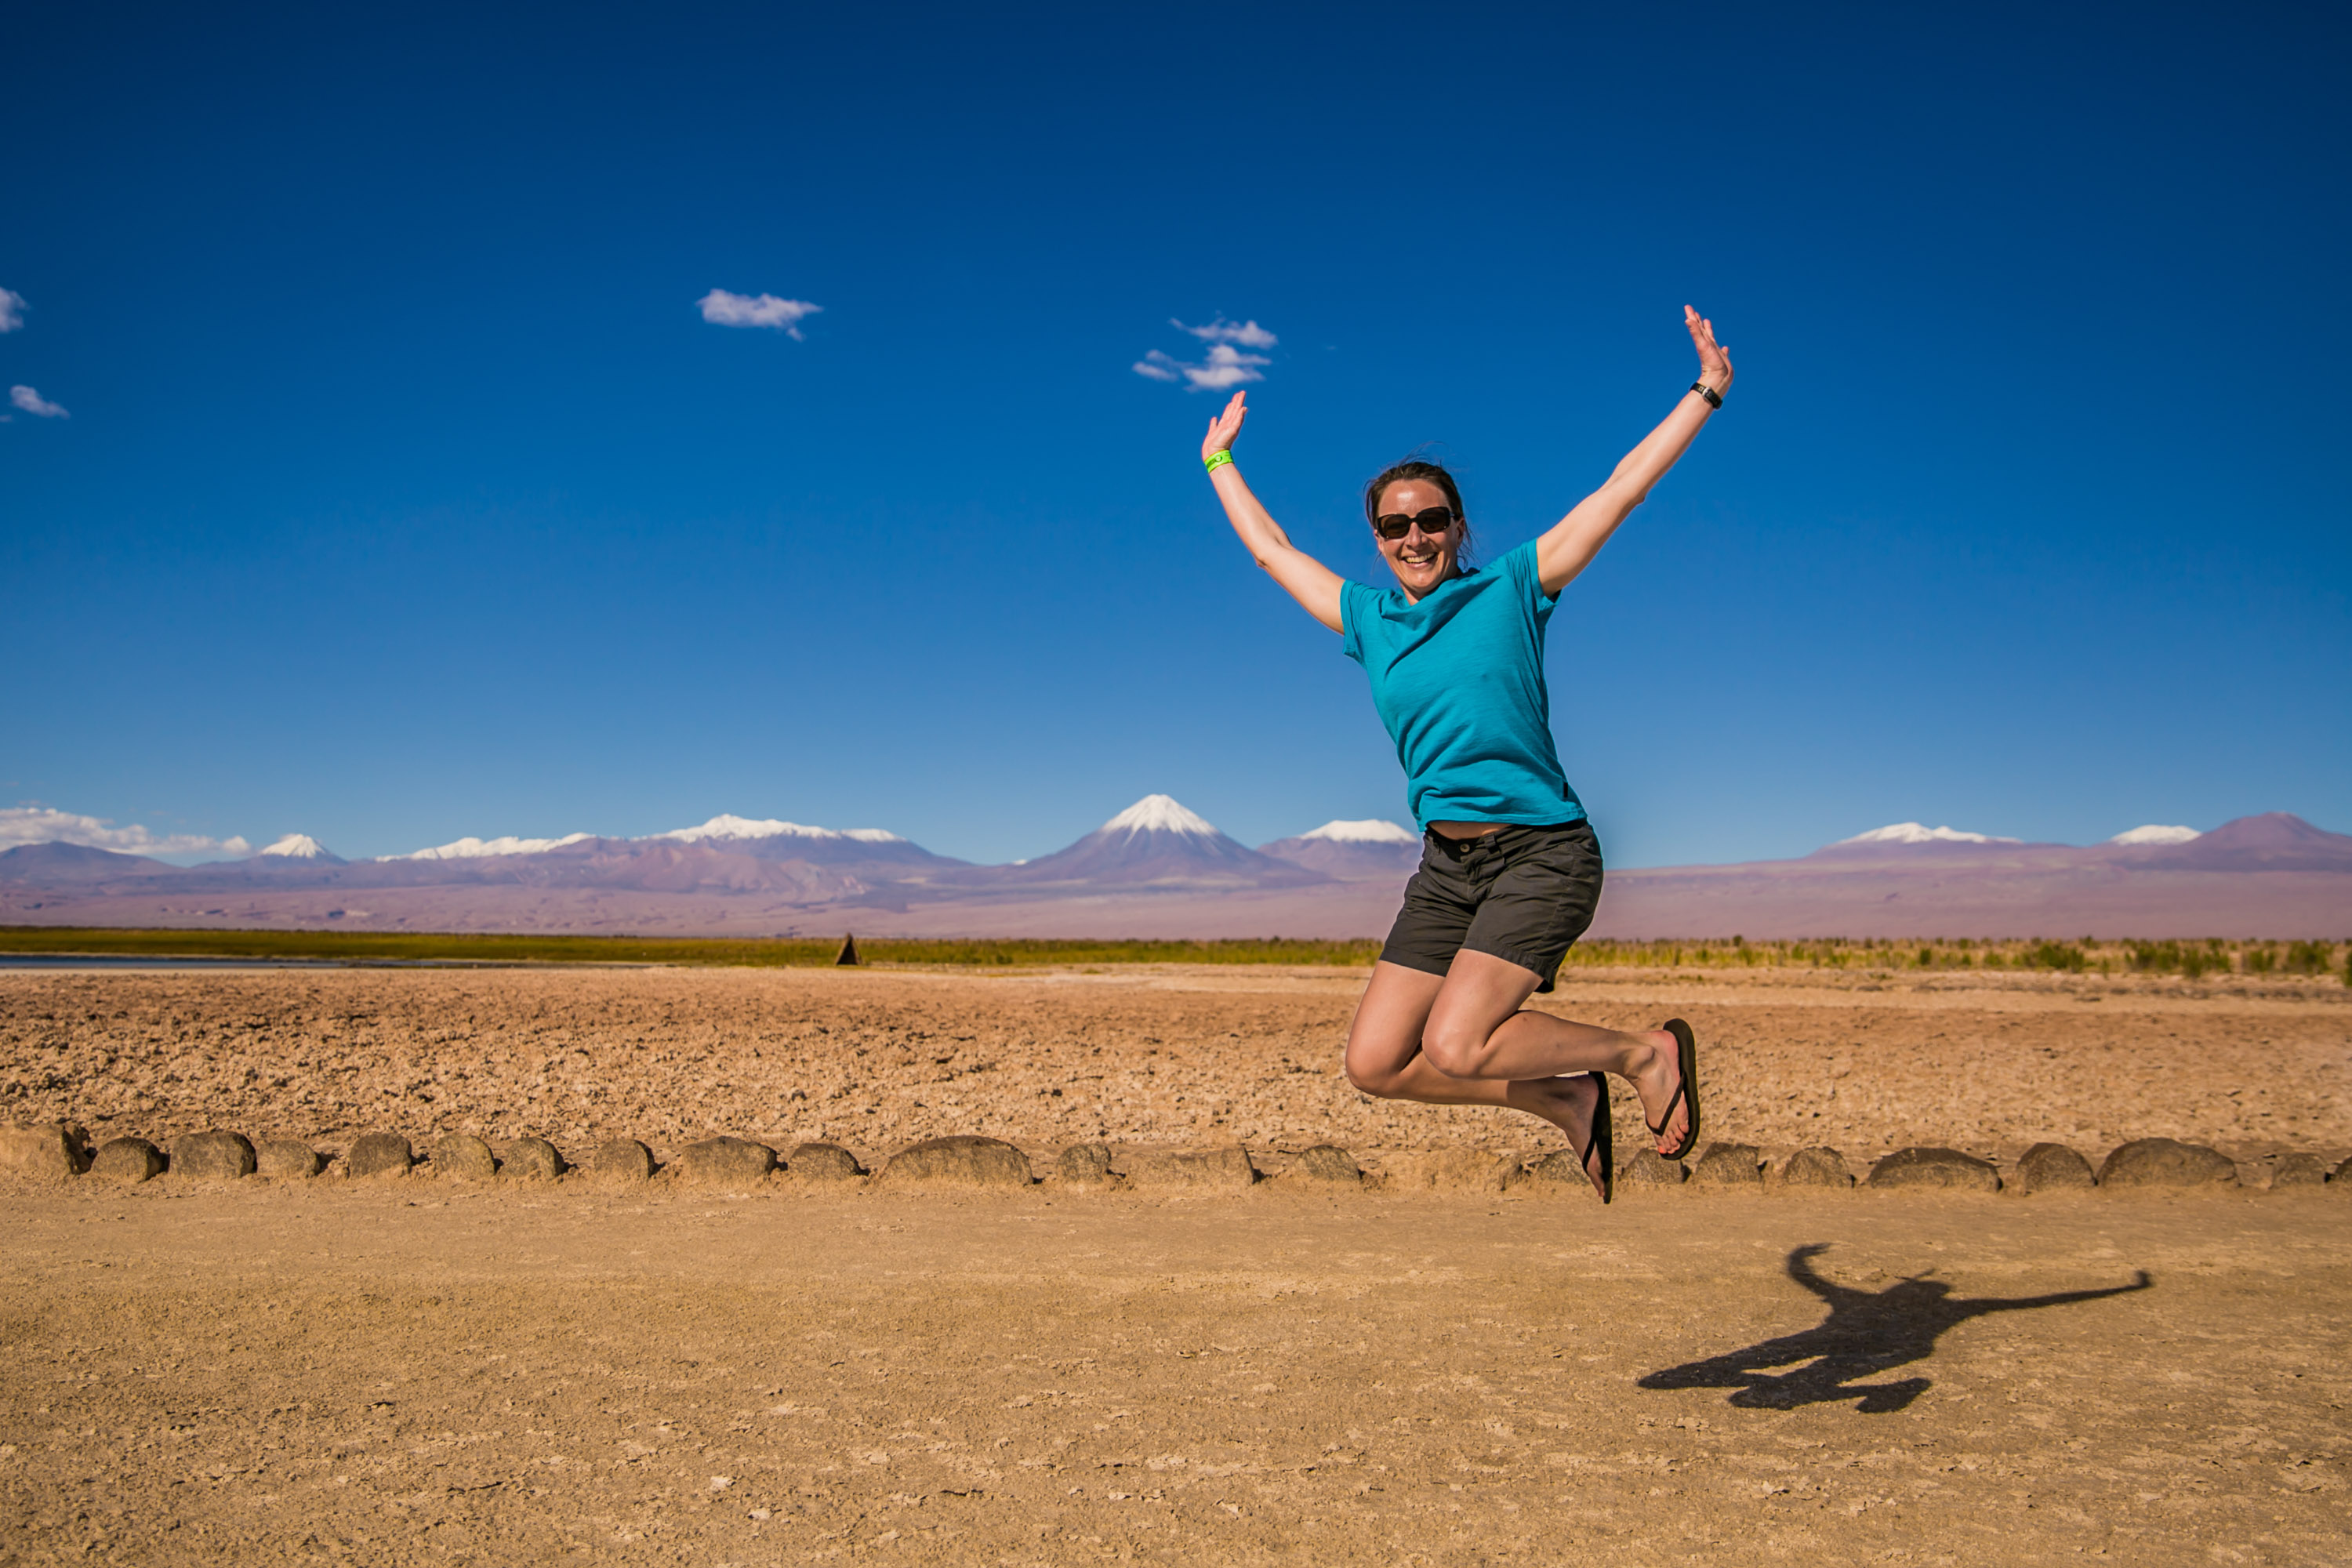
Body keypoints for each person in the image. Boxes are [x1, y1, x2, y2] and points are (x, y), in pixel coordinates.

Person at [1201, 305, 1734, 1201]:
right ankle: (1564, 1099)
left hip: (1542, 850)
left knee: (1456, 1041)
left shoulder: (1514, 586)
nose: (1414, 538)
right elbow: (1271, 550)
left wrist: (1706, 392)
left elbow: (1619, 490)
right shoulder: (1367, 620)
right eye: (1394, 526)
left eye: (1431, 519)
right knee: (1376, 1060)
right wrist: (1219, 461)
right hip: (1446, 868)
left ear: (1457, 525)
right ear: (1376, 537)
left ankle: (1647, 1051)